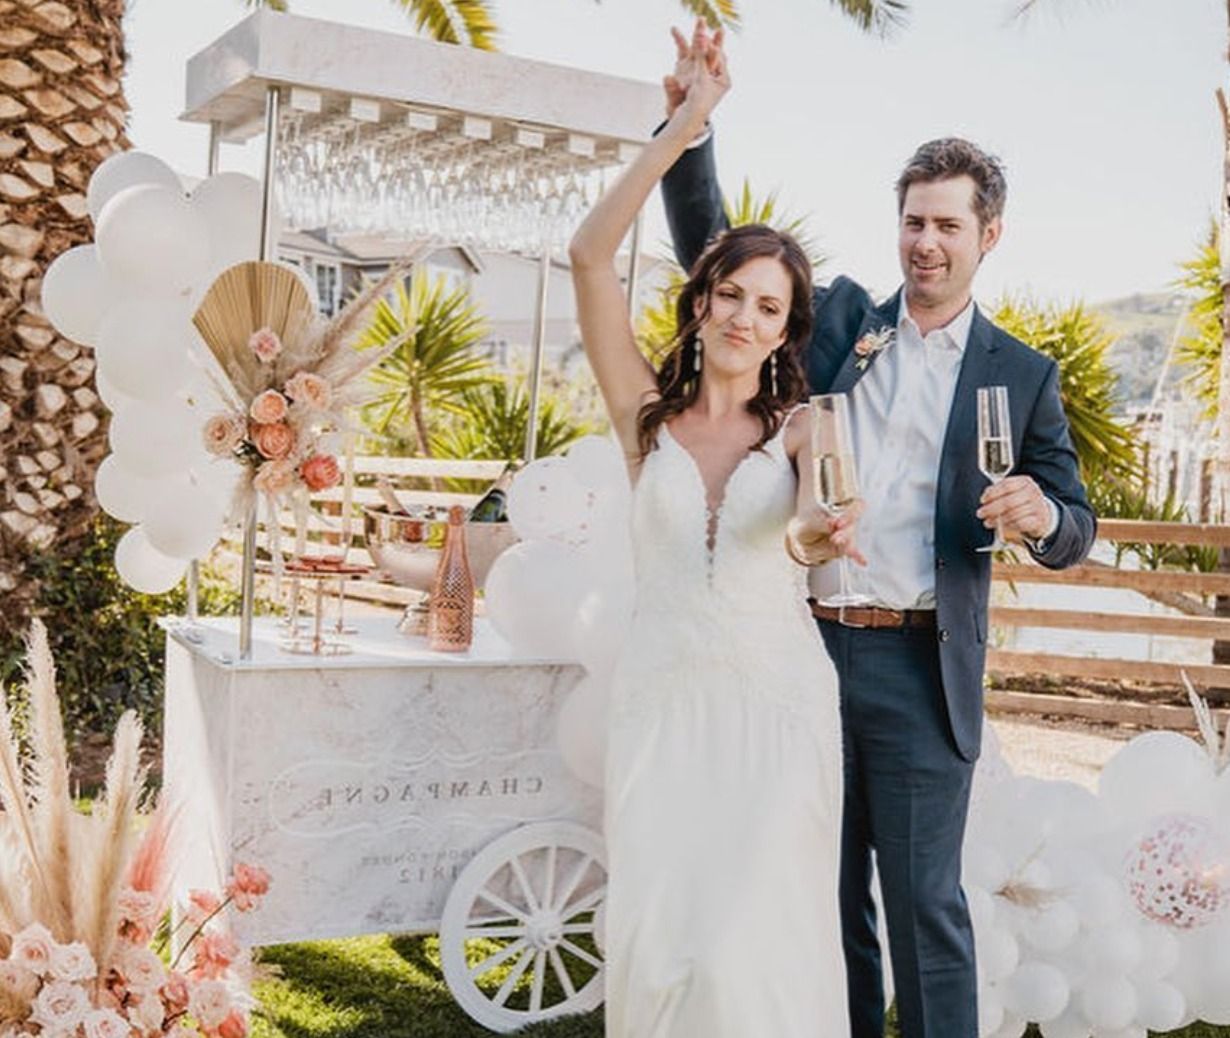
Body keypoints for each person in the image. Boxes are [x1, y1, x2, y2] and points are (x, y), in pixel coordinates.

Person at [659, 23, 1096, 1038]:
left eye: (947, 225)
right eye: (912, 221)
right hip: (800, 654)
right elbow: (716, 255)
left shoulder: (1022, 376)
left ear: (990, 237)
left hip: (916, 667)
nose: (925, 243)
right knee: (821, 905)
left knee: (923, 909)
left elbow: (1073, 521)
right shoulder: (843, 316)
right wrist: (692, 125)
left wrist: (1042, 516)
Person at [569, 45, 856, 1038]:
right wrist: (681, 131)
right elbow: (587, 256)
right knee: (660, 941)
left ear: (785, 331)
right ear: (701, 301)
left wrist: (819, 530)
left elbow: (816, 528)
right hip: (660, 707)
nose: (744, 316)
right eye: (731, 293)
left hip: (774, 712)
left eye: (768, 307)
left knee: (752, 951)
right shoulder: (641, 414)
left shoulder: (806, 430)